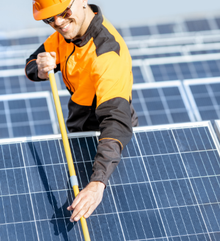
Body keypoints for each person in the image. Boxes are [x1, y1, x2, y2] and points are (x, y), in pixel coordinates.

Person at [25, 0, 138, 222]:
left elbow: (115, 123)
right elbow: (31, 64)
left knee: (110, 222)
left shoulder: (106, 54)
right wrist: (39, 68)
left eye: (64, 13)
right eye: (50, 19)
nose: (58, 22)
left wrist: (97, 183)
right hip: (79, 134)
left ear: (82, 2)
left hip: (105, 144)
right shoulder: (66, 35)